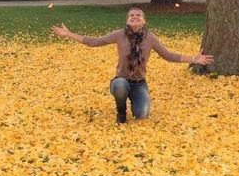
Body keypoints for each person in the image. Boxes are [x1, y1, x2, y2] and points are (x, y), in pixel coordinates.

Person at [51, 7, 214, 123]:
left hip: (139, 83)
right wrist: (69, 34)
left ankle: (135, 100)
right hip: (121, 80)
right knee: (121, 86)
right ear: (127, 21)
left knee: (141, 115)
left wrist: (194, 58)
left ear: (144, 21)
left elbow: (168, 55)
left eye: (138, 15)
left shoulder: (150, 38)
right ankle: (121, 111)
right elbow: (94, 42)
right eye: (131, 16)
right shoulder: (119, 34)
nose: (135, 17)